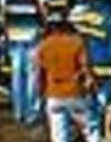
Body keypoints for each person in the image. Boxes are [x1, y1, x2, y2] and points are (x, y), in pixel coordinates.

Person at [37, 12, 102, 142]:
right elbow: (85, 68)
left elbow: (40, 74)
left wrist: (41, 93)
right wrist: (93, 85)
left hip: (53, 94)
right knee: (91, 128)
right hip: (75, 92)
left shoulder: (43, 46)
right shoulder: (76, 42)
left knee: (59, 136)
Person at [71, 0, 111, 141]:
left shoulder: (78, 14)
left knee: (88, 103)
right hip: (106, 67)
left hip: (82, 66)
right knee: (105, 102)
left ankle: (91, 133)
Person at [2, 0, 44, 124]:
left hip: (13, 34)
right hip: (32, 33)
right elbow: (41, 7)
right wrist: (45, 27)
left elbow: (3, 9)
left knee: (17, 74)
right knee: (32, 74)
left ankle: (19, 111)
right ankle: (32, 111)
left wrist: (6, 31)